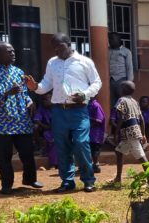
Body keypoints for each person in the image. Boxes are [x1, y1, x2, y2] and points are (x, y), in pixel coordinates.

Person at [24, 33, 101, 193]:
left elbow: (96, 82)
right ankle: (67, 181)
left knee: (81, 143)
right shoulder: (52, 63)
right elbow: (46, 84)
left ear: (69, 44)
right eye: (55, 48)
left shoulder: (84, 62)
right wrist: (35, 87)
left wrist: (85, 94)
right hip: (59, 110)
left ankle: (88, 179)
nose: (57, 50)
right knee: (62, 146)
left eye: (60, 46)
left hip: (79, 110)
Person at [0, 42, 42, 194]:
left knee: (27, 152)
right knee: (4, 155)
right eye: (9, 51)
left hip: (21, 120)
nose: (13, 53)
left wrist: (29, 102)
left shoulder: (18, 71)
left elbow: (24, 93)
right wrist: (7, 93)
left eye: (13, 51)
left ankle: (30, 179)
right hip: (1, 122)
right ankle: (6, 185)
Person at [112, 81, 148, 183]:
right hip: (134, 131)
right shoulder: (134, 101)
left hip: (129, 132)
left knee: (141, 156)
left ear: (124, 89)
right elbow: (141, 119)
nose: (119, 89)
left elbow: (121, 119)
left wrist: (116, 133)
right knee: (119, 151)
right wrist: (143, 133)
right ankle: (118, 178)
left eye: (121, 87)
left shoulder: (121, 100)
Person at [108, 32, 133, 105]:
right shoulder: (107, 51)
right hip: (110, 80)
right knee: (112, 102)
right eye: (109, 39)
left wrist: (129, 83)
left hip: (122, 80)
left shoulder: (126, 52)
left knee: (122, 102)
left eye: (112, 38)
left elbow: (129, 67)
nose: (110, 40)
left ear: (118, 39)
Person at [34, 95, 57, 169]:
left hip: (58, 130)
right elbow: (37, 119)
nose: (44, 101)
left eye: (46, 100)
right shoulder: (42, 108)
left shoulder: (57, 108)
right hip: (47, 130)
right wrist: (43, 126)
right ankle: (41, 147)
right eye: (43, 100)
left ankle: (55, 163)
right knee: (36, 128)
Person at [88, 97, 105, 173]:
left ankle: (96, 165)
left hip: (95, 133)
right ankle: (88, 166)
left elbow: (99, 120)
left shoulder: (95, 105)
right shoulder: (87, 105)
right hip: (89, 133)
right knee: (88, 149)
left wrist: (87, 126)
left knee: (95, 150)